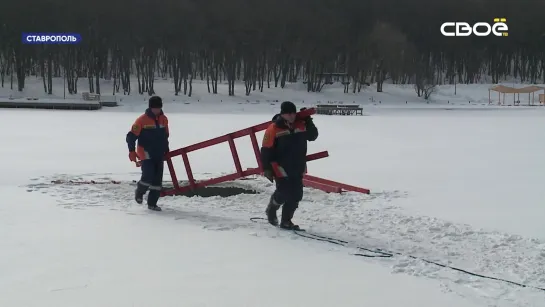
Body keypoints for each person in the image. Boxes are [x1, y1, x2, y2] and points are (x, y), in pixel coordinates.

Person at [260, 101, 318, 229]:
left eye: (293, 113)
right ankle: (272, 208)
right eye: (288, 114)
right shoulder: (273, 129)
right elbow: (265, 150)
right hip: (281, 166)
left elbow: (313, 136)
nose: (292, 116)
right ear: (283, 114)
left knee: (296, 194)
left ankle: (286, 221)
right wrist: (267, 168)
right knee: (284, 192)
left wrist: (309, 121)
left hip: (298, 164)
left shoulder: (301, 124)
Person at [126, 96, 170, 211]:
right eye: (154, 108)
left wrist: (166, 149)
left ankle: (152, 204)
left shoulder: (164, 119)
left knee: (157, 181)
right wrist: (131, 150)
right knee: (148, 176)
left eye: (158, 108)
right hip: (145, 152)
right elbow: (131, 136)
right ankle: (139, 192)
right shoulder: (141, 120)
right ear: (150, 108)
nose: (157, 110)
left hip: (159, 153)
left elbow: (165, 136)